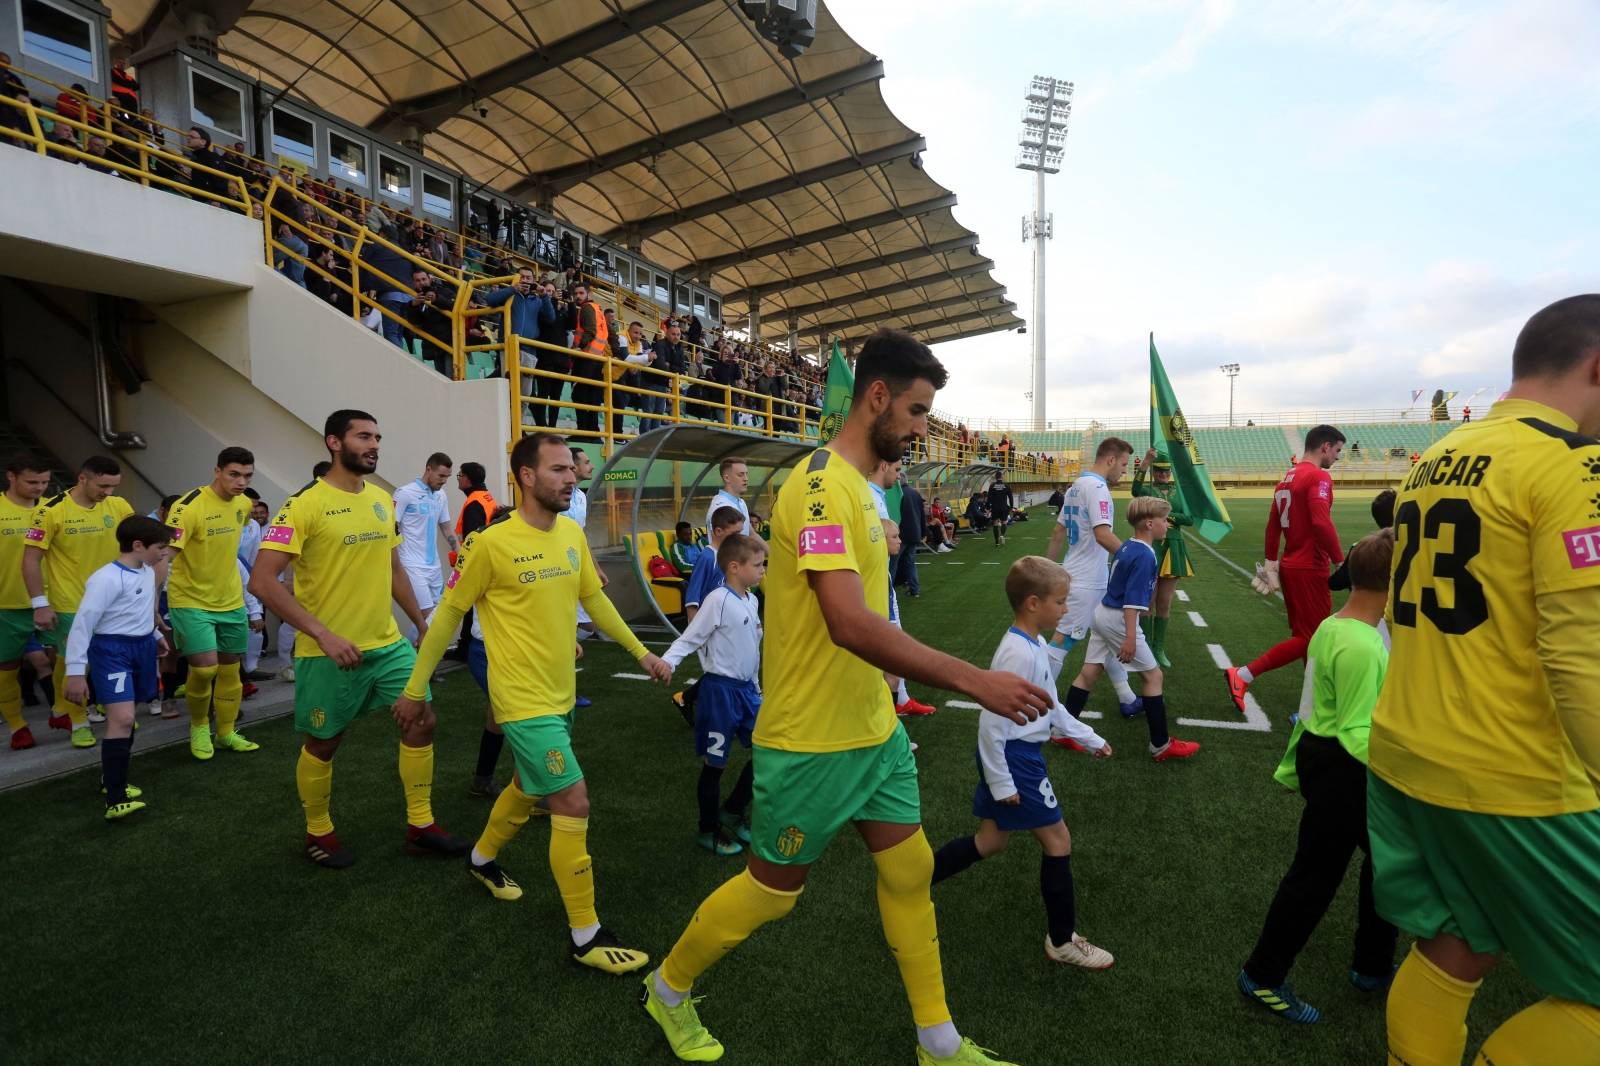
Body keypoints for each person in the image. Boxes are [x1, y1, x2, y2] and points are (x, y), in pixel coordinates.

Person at [640, 327, 1051, 1066]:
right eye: (920, 413)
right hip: (810, 741)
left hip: (874, 734)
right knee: (772, 892)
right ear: (878, 397)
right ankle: (666, 991)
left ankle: (939, 1042)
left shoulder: (863, 491)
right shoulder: (823, 487)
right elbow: (848, 622)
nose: (926, 431)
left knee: (909, 871)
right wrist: (975, 680)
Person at [1368, 296, 1600, 1065]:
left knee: (1455, 945)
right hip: (1515, 772)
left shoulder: (1441, 453)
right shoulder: (1571, 463)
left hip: (1407, 751)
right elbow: (1581, 654)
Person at [396, 432, 671, 972]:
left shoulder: (570, 532)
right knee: (572, 799)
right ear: (526, 476)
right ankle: (586, 936)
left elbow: (592, 598)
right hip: (520, 700)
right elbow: (449, 616)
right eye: (558, 469)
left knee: (526, 786)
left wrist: (643, 653)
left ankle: (481, 860)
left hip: (560, 692)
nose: (571, 477)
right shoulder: (490, 544)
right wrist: (414, 689)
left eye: (572, 468)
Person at [250, 410, 466, 869]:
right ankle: (318, 832)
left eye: (377, 438)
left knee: (422, 720)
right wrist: (323, 635)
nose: (374, 445)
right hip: (328, 652)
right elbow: (263, 582)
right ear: (334, 442)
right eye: (363, 436)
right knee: (325, 742)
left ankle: (421, 825)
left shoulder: (380, 499)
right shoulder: (303, 504)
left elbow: (392, 570)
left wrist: (422, 621)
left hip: (387, 645)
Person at [1237, 530, 1399, 1022]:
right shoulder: (1364, 645)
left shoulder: (1335, 624)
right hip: (1344, 769)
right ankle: (1263, 976)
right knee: (1317, 876)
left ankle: (1371, 963)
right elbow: (1355, 731)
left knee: (1382, 862)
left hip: (1324, 758)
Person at [929, 556, 1114, 969]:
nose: (1066, 609)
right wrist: (1002, 782)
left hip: (1017, 756)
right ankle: (1063, 940)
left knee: (990, 842)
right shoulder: (1017, 653)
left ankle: (911, 884)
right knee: (1058, 840)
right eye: (1061, 602)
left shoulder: (1035, 645)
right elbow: (991, 724)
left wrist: (1090, 738)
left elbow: (1050, 705)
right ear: (1033, 603)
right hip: (1015, 759)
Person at [1063, 497, 1200, 761]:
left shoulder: (1128, 546)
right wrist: (1130, 637)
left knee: (1089, 672)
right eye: (1164, 521)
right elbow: (1132, 603)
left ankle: (1062, 730)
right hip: (1117, 618)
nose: (1167, 525)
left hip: (1102, 614)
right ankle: (1160, 745)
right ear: (1149, 524)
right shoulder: (1146, 555)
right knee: (1153, 676)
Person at [1224, 425, 1346, 713]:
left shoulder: (1286, 479)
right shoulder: (1319, 476)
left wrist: (1271, 564)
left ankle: (1311, 704)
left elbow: (1272, 526)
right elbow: (1320, 522)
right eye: (1338, 450)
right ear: (1325, 446)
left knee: (1307, 637)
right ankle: (1243, 675)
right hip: (1309, 567)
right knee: (1310, 638)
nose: (1338, 458)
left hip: (1291, 564)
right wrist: (1341, 560)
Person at [662, 533, 767, 856]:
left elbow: (752, 649)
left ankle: (733, 810)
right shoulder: (717, 600)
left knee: (767, 753)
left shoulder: (750, 598)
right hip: (719, 694)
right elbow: (691, 638)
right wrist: (668, 661)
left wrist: (756, 686)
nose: (764, 570)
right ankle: (708, 830)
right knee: (715, 765)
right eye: (759, 564)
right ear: (734, 567)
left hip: (748, 691)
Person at [24, 455, 135, 749]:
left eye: (113, 487)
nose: (108, 493)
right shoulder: (50, 511)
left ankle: (114, 709)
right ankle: (78, 721)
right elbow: (31, 559)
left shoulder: (119, 507)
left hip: (116, 600)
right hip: (72, 602)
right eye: (103, 486)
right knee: (76, 663)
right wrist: (40, 603)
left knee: (116, 657)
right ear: (82, 478)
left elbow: (136, 546)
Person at [64, 516, 171, 821]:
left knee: (127, 718)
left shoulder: (146, 572)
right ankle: (115, 798)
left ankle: (111, 779)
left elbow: (136, 613)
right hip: (112, 651)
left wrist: (154, 636)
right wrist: (74, 671)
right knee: (122, 719)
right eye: (159, 547)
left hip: (141, 648)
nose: (164, 553)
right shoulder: (106, 578)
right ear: (138, 545)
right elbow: (84, 624)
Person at [166, 446, 261, 760]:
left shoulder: (245, 504)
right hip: (191, 601)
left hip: (230, 600)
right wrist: (146, 601)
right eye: (234, 474)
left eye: (247, 475)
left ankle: (225, 732)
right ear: (217, 471)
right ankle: (198, 726)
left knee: (230, 670)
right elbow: (167, 554)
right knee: (205, 670)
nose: (241, 481)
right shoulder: (188, 506)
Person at [1043, 438, 1142, 717]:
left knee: (1105, 637)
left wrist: (1048, 568)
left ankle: (1127, 698)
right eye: (1123, 464)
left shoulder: (1076, 486)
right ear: (1110, 460)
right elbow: (1103, 535)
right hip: (1085, 582)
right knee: (1061, 643)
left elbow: (1058, 532)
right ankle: (1036, 707)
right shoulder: (1098, 488)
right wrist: (1135, 558)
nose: (1124, 471)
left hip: (1086, 577)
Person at [2, 453, 53, 750]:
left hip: (52, 600)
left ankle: (66, 712)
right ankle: (17, 726)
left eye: (45, 482)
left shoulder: (52, 509)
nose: (39, 488)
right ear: (12, 476)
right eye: (32, 481)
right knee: (7, 667)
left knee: (66, 658)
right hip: (7, 603)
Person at [1130, 449, 1194, 669]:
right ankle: (1145, 647)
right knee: (1147, 602)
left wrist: (1166, 517)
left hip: (1173, 548)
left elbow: (1189, 519)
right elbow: (1134, 489)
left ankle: (1159, 648)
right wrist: (1145, 464)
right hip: (1152, 546)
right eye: (1159, 471)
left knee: (1164, 604)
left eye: (1166, 472)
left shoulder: (1179, 492)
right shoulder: (1147, 489)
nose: (1163, 475)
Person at [392, 453, 457, 642]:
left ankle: (412, 657)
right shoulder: (404, 493)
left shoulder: (441, 495)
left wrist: (460, 551)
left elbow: (445, 527)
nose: (444, 481)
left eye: (448, 477)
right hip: (412, 566)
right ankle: (424, 669)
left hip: (434, 567)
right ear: (429, 470)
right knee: (429, 619)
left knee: (434, 619)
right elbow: (391, 526)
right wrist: (394, 560)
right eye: (441, 476)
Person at [568, 282, 609, 439]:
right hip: (597, 359)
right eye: (576, 294)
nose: (578, 296)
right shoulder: (597, 308)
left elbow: (590, 331)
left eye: (580, 293)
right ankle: (593, 433)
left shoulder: (586, 308)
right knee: (593, 397)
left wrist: (578, 347)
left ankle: (582, 432)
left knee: (579, 394)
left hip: (586, 358)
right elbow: (607, 332)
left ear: (588, 294)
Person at [705, 457, 752, 535]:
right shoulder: (720, 507)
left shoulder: (741, 502)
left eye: (746, 474)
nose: (746, 478)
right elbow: (726, 544)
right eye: (740, 475)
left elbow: (751, 532)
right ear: (727, 478)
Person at [897, 474, 925, 598]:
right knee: (910, 563)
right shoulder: (916, 494)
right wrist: (923, 532)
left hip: (901, 534)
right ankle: (915, 590)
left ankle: (888, 591)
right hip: (914, 533)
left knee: (892, 564)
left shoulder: (898, 494)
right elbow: (922, 515)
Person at [986, 475, 1014, 546]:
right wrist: (1011, 507)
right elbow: (1010, 497)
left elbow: (989, 497)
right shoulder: (1006, 486)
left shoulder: (992, 486)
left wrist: (988, 507)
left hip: (995, 508)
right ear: (1002, 477)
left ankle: (997, 542)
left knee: (995, 524)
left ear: (996, 477)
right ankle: (1002, 535)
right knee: (1004, 522)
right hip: (1003, 507)